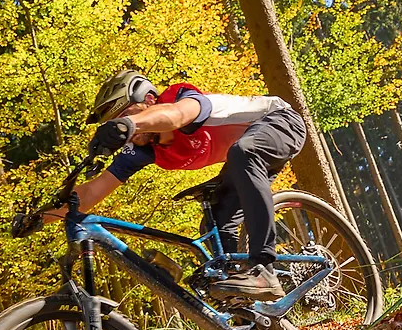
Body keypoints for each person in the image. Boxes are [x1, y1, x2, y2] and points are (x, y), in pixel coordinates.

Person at [49, 69, 307, 306]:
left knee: (242, 153)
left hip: (280, 123)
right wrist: (41, 217)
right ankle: (254, 318)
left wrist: (131, 124)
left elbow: (177, 116)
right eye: (116, 123)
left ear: (150, 100)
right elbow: (93, 190)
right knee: (215, 224)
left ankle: (263, 269)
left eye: (126, 115)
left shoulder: (181, 99)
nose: (126, 129)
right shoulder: (143, 149)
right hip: (244, 160)